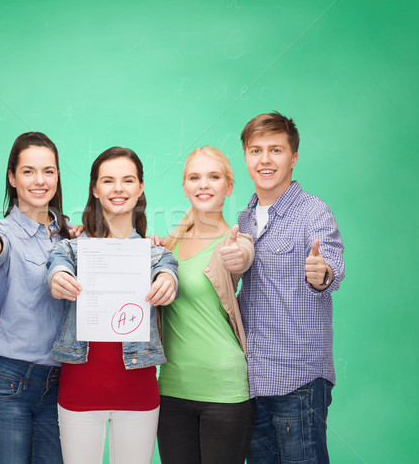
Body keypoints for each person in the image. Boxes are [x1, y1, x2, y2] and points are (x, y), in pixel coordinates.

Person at [46, 146, 178, 464]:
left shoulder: (156, 254)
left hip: (139, 395)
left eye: (128, 180)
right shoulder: (71, 250)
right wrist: (59, 278)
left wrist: (167, 283)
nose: (118, 188)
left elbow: (168, 272)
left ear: (140, 187)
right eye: (108, 180)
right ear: (95, 188)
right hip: (78, 394)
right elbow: (56, 266)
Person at [237, 112, 345, 463]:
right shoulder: (245, 218)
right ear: (246, 157)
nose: (265, 160)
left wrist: (321, 274)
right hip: (253, 380)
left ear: (293, 157)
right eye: (256, 150)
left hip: (297, 380)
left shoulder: (313, 212)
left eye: (276, 150)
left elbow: (331, 268)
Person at [0, 132, 73, 463]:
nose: (40, 180)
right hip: (6, 380)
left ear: (58, 175)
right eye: (28, 171)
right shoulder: (2, 231)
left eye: (49, 171)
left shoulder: (72, 234)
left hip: (60, 382)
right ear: (13, 177)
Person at [157, 146, 256, 464]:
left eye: (214, 177)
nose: (203, 184)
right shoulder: (167, 246)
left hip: (224, 390)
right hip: (171, 389)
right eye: (195, 177)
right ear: (184, 186)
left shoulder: (236, 241)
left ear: (228, 186)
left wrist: (238, 256)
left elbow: (243, 256)